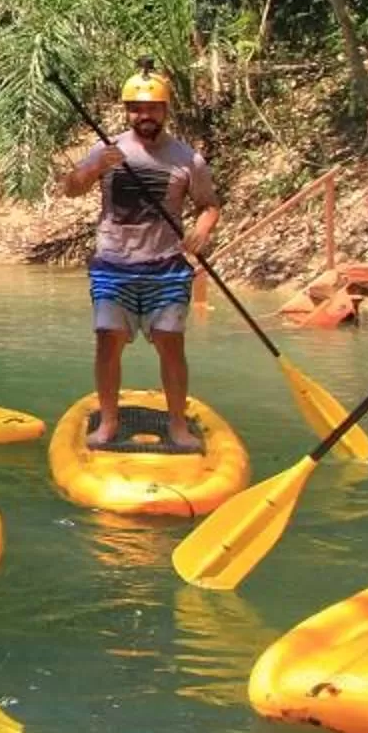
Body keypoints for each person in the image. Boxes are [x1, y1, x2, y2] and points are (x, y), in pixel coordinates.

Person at [55, 68, 220, 451]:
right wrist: (96, 167)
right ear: (127, 111)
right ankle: (109, 422)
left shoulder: (187, 159)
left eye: (152, 109)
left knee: (169, 341)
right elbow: (71, 189)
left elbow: (209, 206)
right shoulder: (107, 149)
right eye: (136, 109)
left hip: (165, 265)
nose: (144, 116)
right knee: (107, 340)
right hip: (114, 263)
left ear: (165, 111)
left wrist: (202, 230)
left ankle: (177, 425)